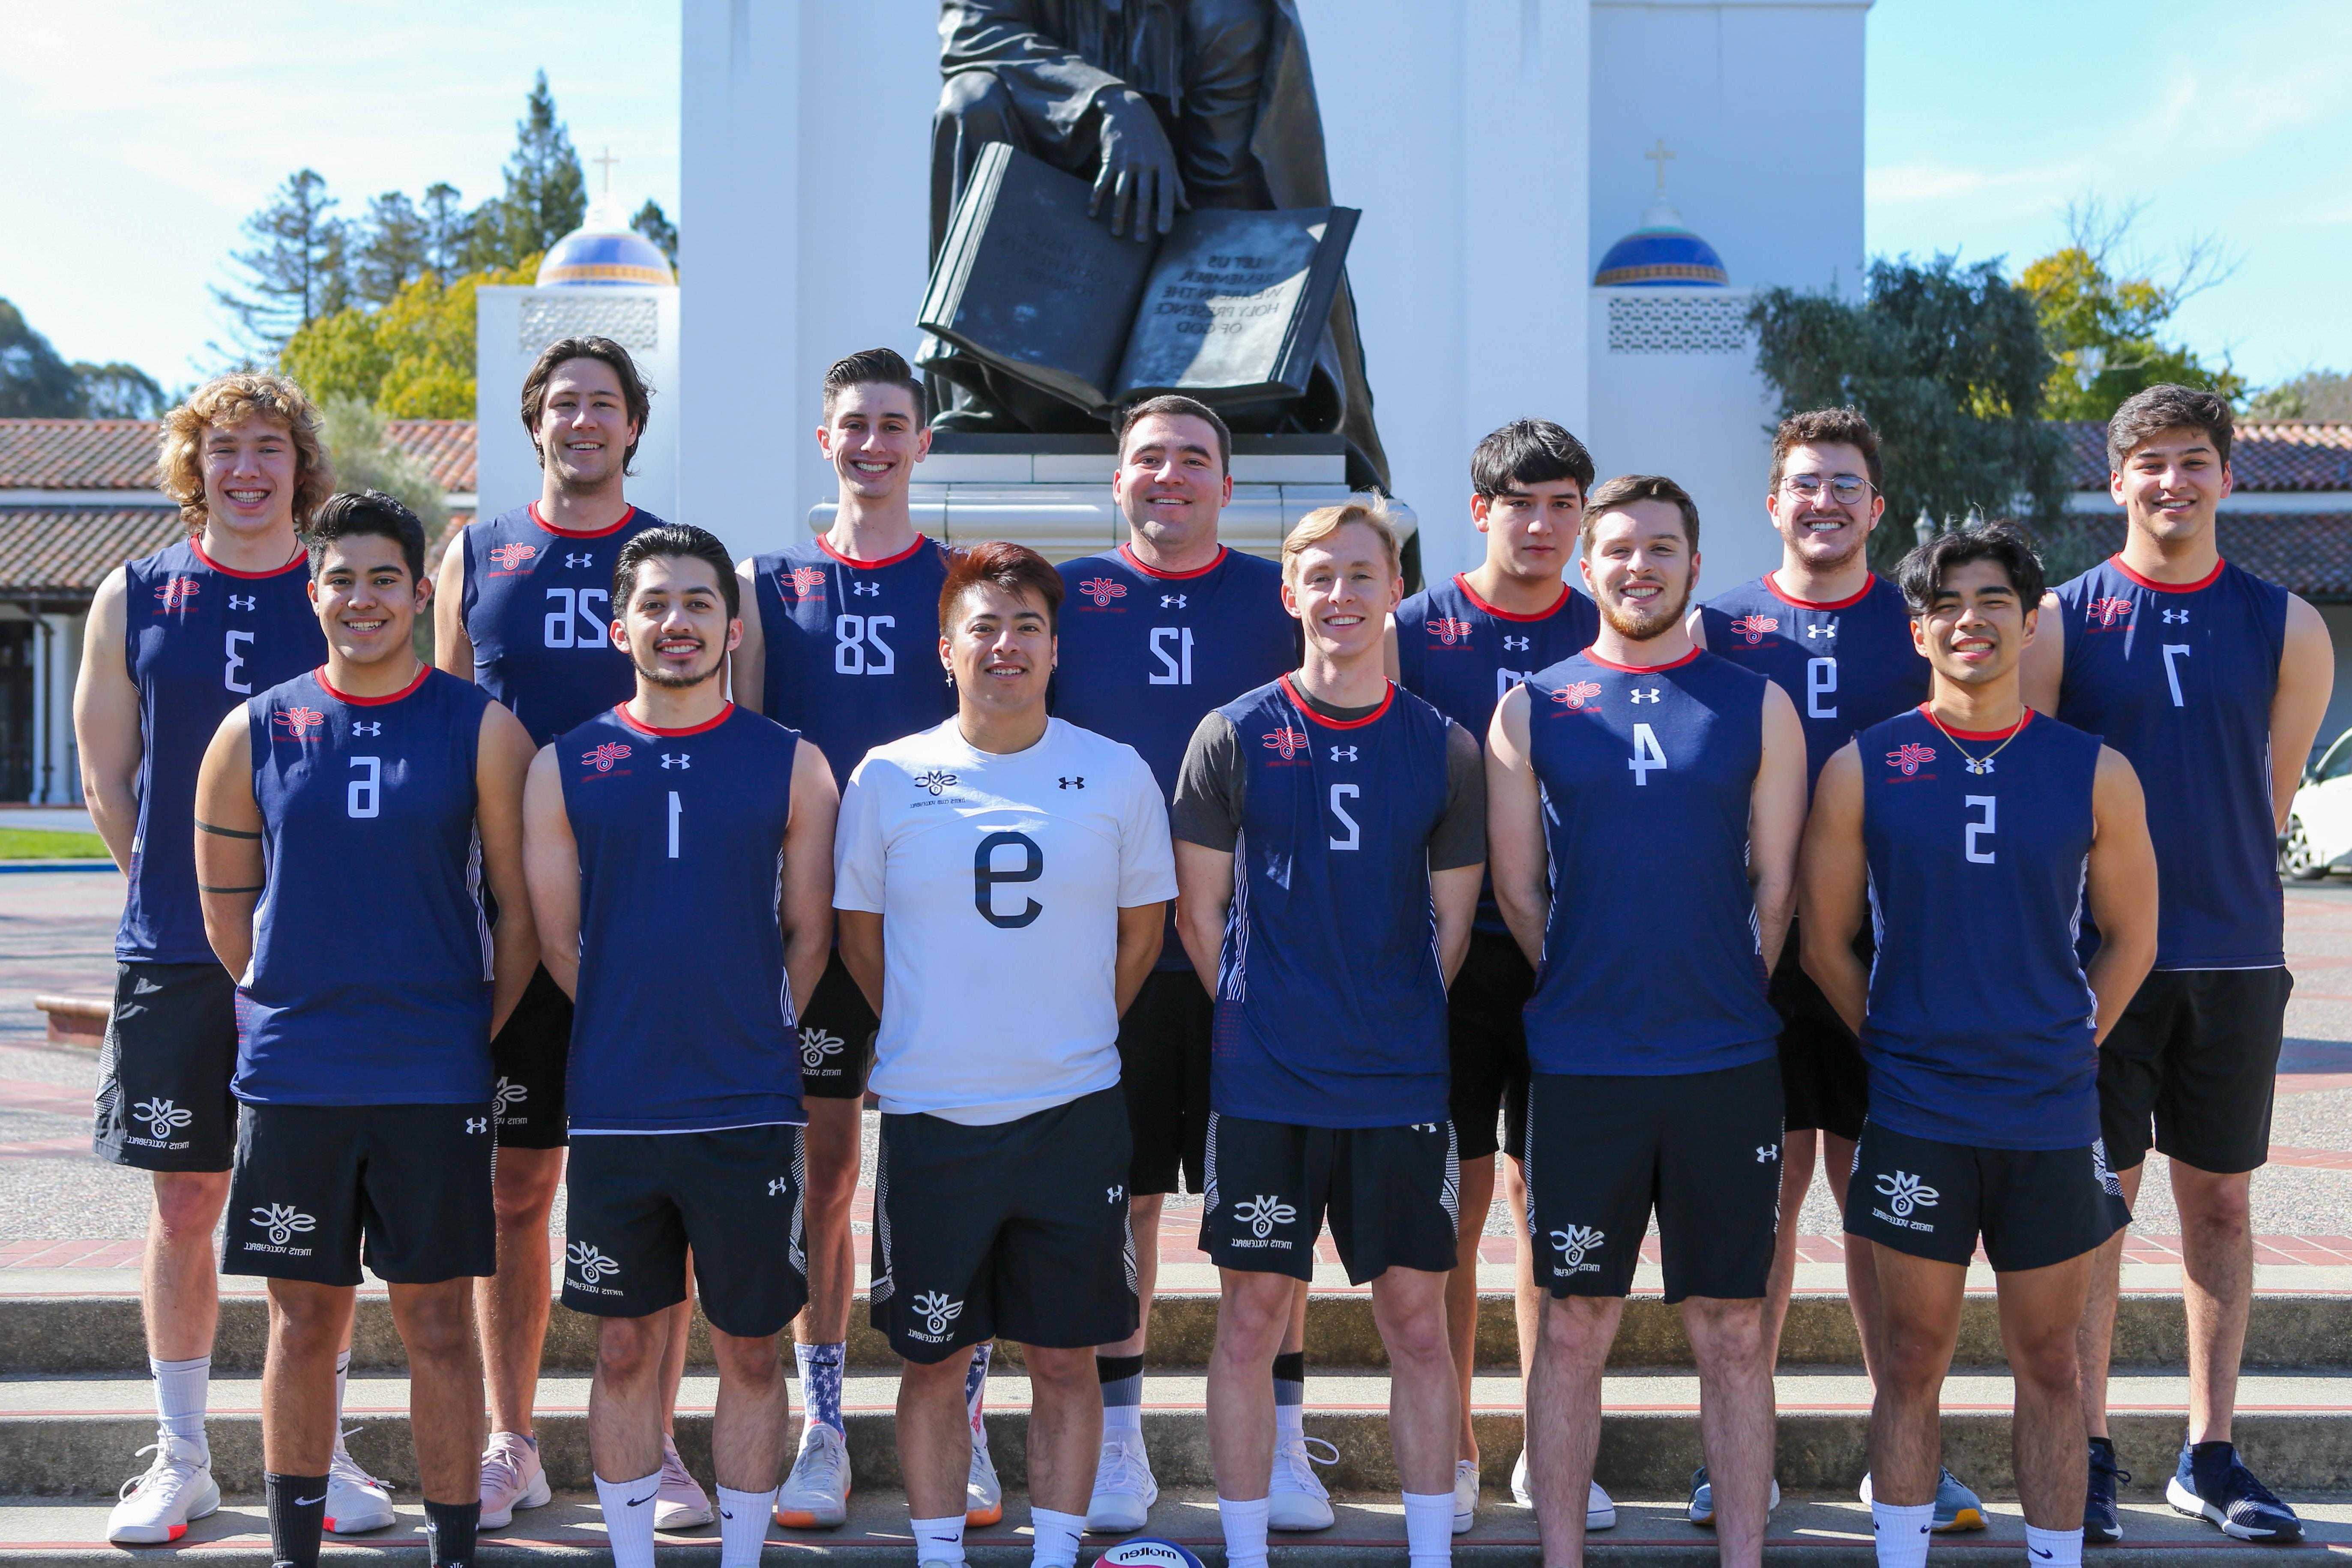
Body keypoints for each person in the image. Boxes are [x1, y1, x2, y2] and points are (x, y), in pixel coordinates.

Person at [191, 491, 539, 1568]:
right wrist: (289, 996)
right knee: (303, 1321)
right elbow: (224, 906)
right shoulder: (256, 726)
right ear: (314, 591)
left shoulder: (479, 727)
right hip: (298, 1076)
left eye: (385, 578)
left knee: (437, 1322)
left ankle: (453, 1549)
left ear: (421, 591)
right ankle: (295, 1547)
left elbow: (520, 916)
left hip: (433, 1073)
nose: (363, 597)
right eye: (341, 577)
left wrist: (468, 1025)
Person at [1805, 524, 2158, 1568]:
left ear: (2029, 617)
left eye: (1994, 599)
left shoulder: (2092, 771)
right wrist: (1894, 1040)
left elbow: (2135, 934)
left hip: (2048, 1110)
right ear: (1919, 629)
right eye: (1949, 604)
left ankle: (2054, 1557)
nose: (1972, 619)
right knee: (1911, 1357)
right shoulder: (1865, 766)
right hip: (1915, 1108)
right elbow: (1824, 940)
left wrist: (2075, 1036)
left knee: (2051, 1360)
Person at [2022, 385, 2335, 1543]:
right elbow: (2041, 789)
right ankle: (2091, 1449)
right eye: (2149, 462)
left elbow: (2277, 790)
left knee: (2221, 1206)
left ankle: (2210, 1452)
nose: (2172, 482)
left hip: (2235, 957)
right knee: (2097, 1212)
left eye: (2194, 460)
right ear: (2116, 481)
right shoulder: (2061, 618)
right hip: (2099, 964)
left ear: (2226, 477)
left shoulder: (2285, 622)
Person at [834, 542, 1173, 1568]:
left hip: (1072, 1114)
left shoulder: (1115, 771)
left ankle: (1060, 1551)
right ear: (946, 650)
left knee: (1068, 1359)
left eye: (1027, 626)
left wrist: (1060, 1030)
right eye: (984, 625)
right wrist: (940, 1034)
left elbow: (1142, 938)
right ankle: (940, 1553)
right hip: (937, 1116)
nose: (1006, 644)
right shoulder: (888, 775)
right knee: (935, 1359)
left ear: (1056, 648)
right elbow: (860, 937)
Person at [1488, 474, 1806, 1568]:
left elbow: (1776, 890)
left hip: (1725, 1063)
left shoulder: (1756, 703)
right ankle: (1563, 1557)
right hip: (1583, 1066)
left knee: (1731, 1329)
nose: (1639, 566)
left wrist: (1709, 985)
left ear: (1692, 562)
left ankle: (1745, 1556)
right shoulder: (1531, 705)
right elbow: (1522, 898)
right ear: (1588, 565)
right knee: (1573, 1326)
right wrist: (1596, 982)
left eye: (1663, 548)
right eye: (1619, 549)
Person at [72, 374, 360, 1543]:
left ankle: (321, 1447)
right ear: (196, 465)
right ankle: (182, 1451)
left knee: (321, 1202)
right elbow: (108, 782)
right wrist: (204, 891)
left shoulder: (344, 585)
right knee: (185, 1197)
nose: (248, 468)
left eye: (270, 449)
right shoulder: (133, 592)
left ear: (302, 467)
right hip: (180, 949)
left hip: (334, 951)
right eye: (226, 449)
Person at [1173, 500, 1482, 1568]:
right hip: (1265, 1084)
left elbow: (1451, 932)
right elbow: (1199, 919)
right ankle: (1249, 1551)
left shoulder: (1443, 748)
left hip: (1397, 1086)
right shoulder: (1233, 733)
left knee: (1417, 1327)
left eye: (1364, 574)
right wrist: (1275, 1013)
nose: (1342, 595)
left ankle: (1432, 1549)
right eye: (1322, 576)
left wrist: (1376, 1017)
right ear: (1289, 593)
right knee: (1252, 1321)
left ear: (1395, 590)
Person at [523, 524, 838, 1568]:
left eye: (699, 603)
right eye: (656, 605)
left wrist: (738, 1021)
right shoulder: (566, 764)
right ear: (622, 629)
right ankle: (630, 1556)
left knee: (750, 1346)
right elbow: (564, 945)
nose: (677, 623)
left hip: (746, 1106)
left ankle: (742, 1557)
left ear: (732, 626)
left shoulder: (790, 763)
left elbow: (809, 936)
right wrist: (645, 1017)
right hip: (617, 1105)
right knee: (623, 1344)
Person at [432, 335, 700, 1530]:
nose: (582, 421)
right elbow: (440, 724)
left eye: (605, 404)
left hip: (651, 911)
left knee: (662, 1183)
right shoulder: (477, 551)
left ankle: (663, 1442)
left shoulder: (672, 561)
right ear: (533, 421)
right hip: (509, 920)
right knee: (516, 1186)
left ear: (634, 425)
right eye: (562, 403)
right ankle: (511, 1435)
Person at [1691, 411, 1968, 1527]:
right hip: (1749, 960)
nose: (1824, 502)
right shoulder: (1717, 628)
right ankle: (1734, 1454)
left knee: (1882, 1222)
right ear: (1772, 503)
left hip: (1882, 964)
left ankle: (1900, 1450)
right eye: (1804, 483)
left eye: (1845, 484)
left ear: (1877, 508)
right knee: (1758, 1219)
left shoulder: (1918, 629)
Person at [1049, 394, 1306, 1534]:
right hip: (1111, 947)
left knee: (1273, 1204)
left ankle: (1286, 1440)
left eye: (1193, 459)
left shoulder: (1278, 595)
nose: (1169, 476)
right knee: (1129, 1193)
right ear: (1116, 480)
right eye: (1147, 458)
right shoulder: (1065, 597)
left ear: (1227, 485)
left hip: (1265, 947)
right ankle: (1118, 1441)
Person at [729, 348, 968, 1530]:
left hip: (941, 916)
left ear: (923, 443)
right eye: (852, 424)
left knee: (954, 1168)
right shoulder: (766, 582)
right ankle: (825, 1420)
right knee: (824, 1174)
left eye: (893, 423)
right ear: (823, 441)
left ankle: (956, 1408)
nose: (872, 442)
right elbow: (750, 752)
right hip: (821, 918)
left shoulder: (963, 579)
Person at [1386, 417, 1602, 1532]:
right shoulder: (1416, 630)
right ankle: (1460, 1441)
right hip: (1455, 958)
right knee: (1461, 1205)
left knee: (1550, 1200)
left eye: (1564, 503)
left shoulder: (1606, 622)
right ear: (1481, 511)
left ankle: (1544, 1440)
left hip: (1576, 953)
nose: (1544, 523)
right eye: (1523, 502)